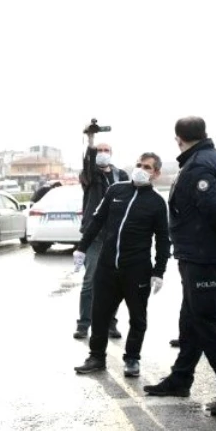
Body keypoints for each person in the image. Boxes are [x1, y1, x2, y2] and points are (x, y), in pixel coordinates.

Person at [144, 117, 216, 416]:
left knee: (209, 323)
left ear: (178, 138)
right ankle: (181, 377)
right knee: (191, 319)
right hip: (201, 256)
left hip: (207, 258)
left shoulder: (199, 165)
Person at [72, 153, 170, 378]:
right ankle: (96, 356)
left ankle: (132, 359)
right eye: (138, 164)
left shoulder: (156, 203)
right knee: (99, 313)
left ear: (156, 173)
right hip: (107, 266)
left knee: (137, 317)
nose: (141, 169)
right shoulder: (116, 190)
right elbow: (97, 221)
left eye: (147, 167)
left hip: (136, 270)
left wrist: (159, 271)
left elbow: (163, 240)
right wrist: (81, 248)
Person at [75, 132, 128, 340]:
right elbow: (88, 164)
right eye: (99, 151)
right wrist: (90, 141)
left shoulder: (120, 175)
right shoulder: (89, 175)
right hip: (94, 236)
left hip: (115, 235)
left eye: (106, 150)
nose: (103, 154)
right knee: (90, 281)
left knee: (114, 282)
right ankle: (83, 324)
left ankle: (110, 322)